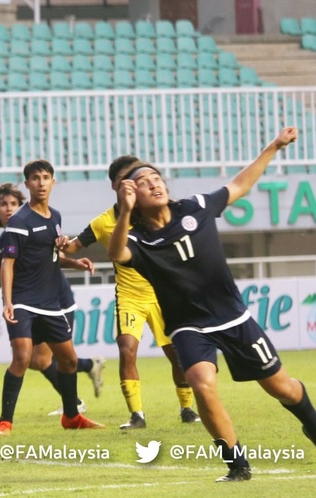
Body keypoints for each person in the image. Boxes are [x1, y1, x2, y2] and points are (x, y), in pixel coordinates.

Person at [107, 127, 316, 482]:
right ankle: (237, 464)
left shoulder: (196, 207)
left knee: (281, 387)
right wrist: (125, 213)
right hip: (188, 325)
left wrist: (273, 146)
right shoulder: (135, 237)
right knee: (201, 382)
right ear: (131, 195)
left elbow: (239, 186)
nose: (154, 183)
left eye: (156, 177)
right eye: (144, 182)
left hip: (233, 316)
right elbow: (116, 254)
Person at [58, 156, 201, 429]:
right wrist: (63, 243)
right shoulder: (105, 222)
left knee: (179, 354)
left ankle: (187, 408)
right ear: (116, 185)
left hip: (164, 294)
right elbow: (74, 246)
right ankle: (137, 415)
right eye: (130, 176)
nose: (137, 180)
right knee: (127, 350)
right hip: (130, 297)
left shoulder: (159, 211)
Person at [0, 183, 105, 419]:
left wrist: (74, 261)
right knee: (34, 360)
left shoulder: (34, 224)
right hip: (33, 300)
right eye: (3, 204)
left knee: (40, 359)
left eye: (13, 203)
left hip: (56, 299)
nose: (9, 208)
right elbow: (8, 272)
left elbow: (51, 256)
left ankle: (75, 401)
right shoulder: (8, 237)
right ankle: (87, 371)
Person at [0, 160, 105, 435]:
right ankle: (5, 421)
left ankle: (71, 417)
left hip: (50, 303)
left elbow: (50, 257)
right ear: (28, 184)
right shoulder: (19, 221)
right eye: (35, 178)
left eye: (46, 177)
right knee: (22, 357)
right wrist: (8, 301)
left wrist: (75, 262)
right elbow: (8, 263)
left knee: (68, 360)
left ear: (53, 182)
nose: (41, 182)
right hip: (22, 300)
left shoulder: (55, 217)